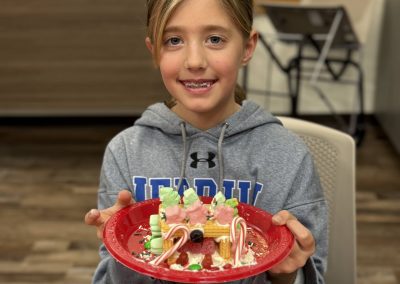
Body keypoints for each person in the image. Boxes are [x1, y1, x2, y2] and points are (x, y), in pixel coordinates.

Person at [84, 0, 328, 283]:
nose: (195, 61)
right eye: (174, 40)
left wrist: (288, 274)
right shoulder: (125, 152)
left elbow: (315, 275)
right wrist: (121, 247)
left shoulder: (288, 156)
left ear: (247, 48)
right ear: (155, 52)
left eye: (215, 39)